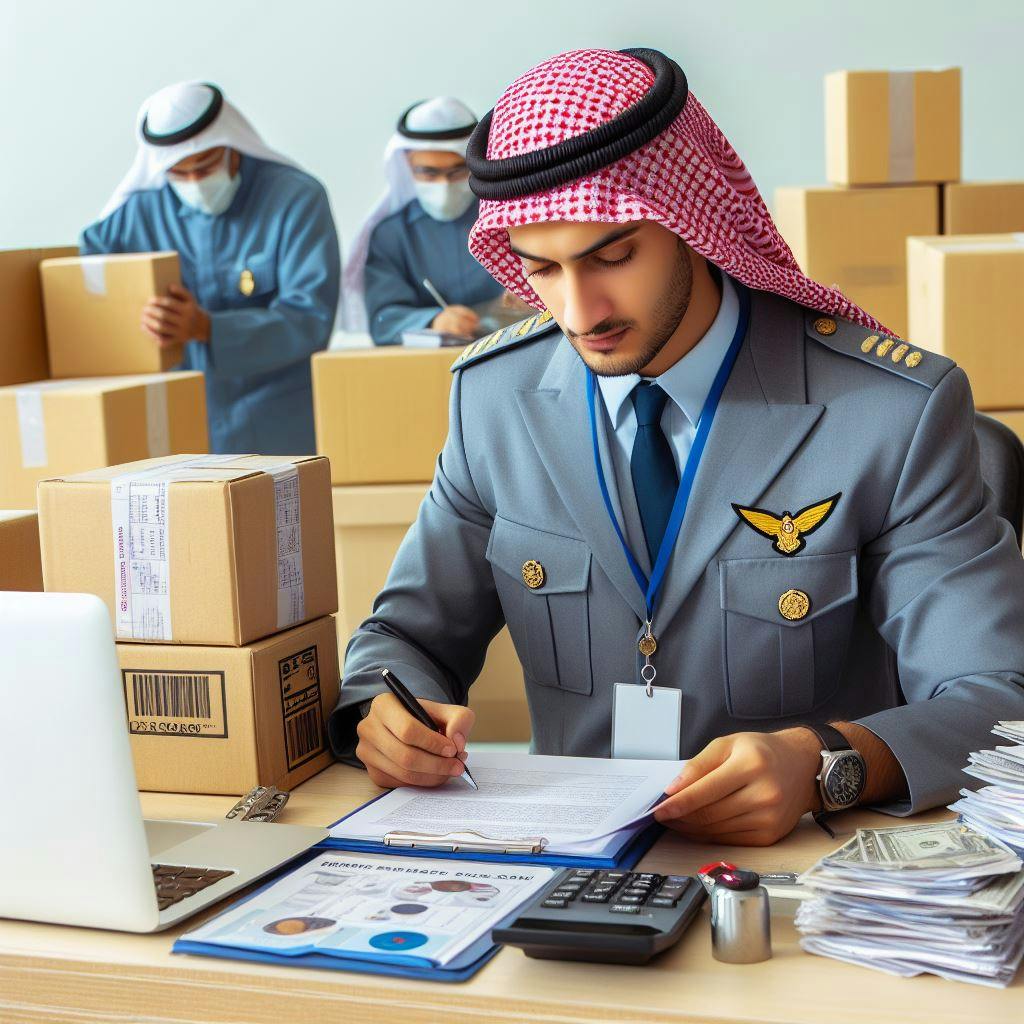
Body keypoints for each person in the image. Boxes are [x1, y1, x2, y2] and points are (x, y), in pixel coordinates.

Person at [328, 48, 1024, 846]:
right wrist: (384, 717)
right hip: (566, 866)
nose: (579, 310)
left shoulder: (889, 414)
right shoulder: (493, 399)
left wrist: (827, 763)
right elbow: (404, 639)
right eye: (541, 270)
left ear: (693, 220)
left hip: (800, 873)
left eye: (612, 256)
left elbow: (998, 697)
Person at [81, 81, 340, 455]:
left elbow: (310, 319)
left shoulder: (296, 199)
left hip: (278, 423)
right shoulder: (136, 213)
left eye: (205, 166)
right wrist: (141, 316)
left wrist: (207, 328)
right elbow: (85, 290)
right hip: (173, 425)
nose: (195, 183)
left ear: (233, 144)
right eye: (179, 174)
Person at [341, 97, 510, 345]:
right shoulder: (391, 235)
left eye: (457, 170)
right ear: (408, 165)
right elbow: (383, 320)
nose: (443, 184)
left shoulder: (505, 217)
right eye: (428, 172)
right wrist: (434, 321)